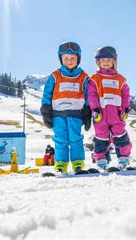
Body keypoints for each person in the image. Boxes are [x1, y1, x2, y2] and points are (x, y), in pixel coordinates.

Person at [40, 41, 92, 174]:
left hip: (75, 114)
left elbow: (88, 94)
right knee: (60, 139)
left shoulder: (83, 77)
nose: (69, 61)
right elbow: (47, 94)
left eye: (73, 58)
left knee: (75, 139)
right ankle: (61, 165)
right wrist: (46, 110)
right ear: (61, 59)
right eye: (66, 58)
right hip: (58, 115)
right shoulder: (55, 76)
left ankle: (78, 164)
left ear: (78, 59)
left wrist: (88, 111)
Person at [88, 46, 132, 170]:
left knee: (120, 135)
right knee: (101, 136)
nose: (106, 62)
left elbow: (125, 94)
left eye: (109, 59)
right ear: (98, 62)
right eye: (103, 60)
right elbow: (91, 94)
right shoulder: (94, 79)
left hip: (116, 114)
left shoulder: (120, 79)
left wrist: (125, 109)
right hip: (101, 114)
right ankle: (101, 158)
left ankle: (123, 157)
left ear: (114, 61)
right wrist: (95, 108)